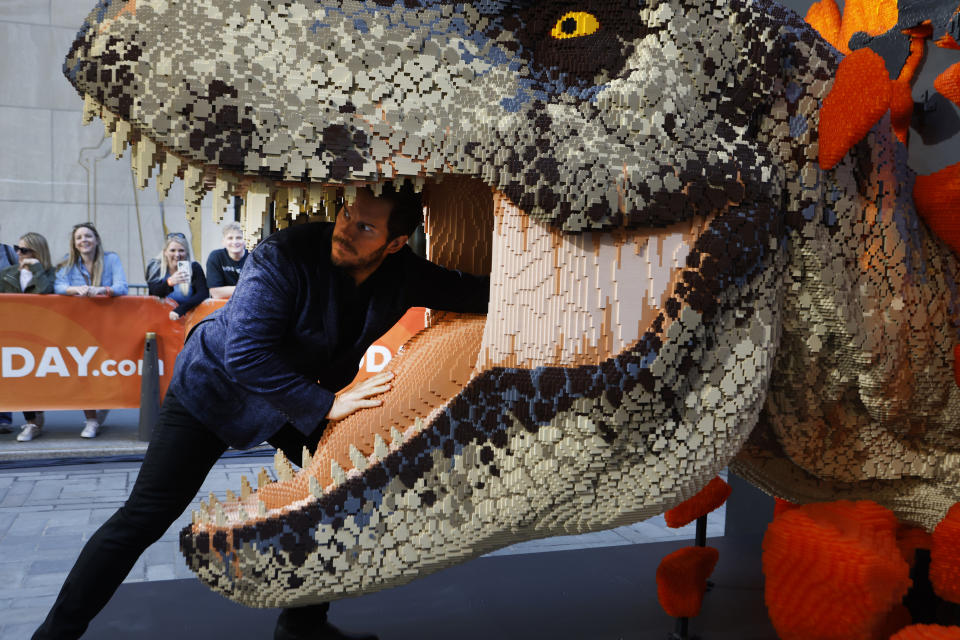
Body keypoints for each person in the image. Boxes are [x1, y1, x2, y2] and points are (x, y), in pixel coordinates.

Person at [33, 182, 490, 640]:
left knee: (336, 486)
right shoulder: (283, 255)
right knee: (144, 517)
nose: (346, 230)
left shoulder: (403, 273)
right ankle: (54, 634)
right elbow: (245, 355)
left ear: (393, 243)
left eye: (365, 226)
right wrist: (328, 404)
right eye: (348, 214)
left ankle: (302, 626)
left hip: (286, 400)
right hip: (213, 388)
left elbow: (475, 294)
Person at [55, 222, 128, 438]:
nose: (84, 240)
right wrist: (72, 289)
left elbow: (121, 286)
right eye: (79, 237)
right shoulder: (68, 264)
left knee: (107, 369)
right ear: (74, 243)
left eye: (88, 236)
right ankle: (91, 419)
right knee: (83, 371)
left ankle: (103, 405)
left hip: (108, 325)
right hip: (79, 327)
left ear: (96, 239)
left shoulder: (111, 259)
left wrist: (101, 290)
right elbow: (57, 286)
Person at [0, 232, 56, 440]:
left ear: (37, 251)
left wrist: (37, 269)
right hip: (12, 333)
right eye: (18, 248)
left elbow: (46, 291)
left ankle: (34, 421)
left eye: (24, 250)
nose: (18, 253)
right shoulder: (7, 273)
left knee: (33, 378)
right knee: (16, 377)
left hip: (40, 333)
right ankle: (32, 421)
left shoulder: (49, 273)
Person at [147, 233, 210, 321]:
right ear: (165, 252)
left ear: (186, 252)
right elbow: (154, 292)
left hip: (186, 319)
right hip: (160, 319)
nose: (177, 255)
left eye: (181, 250)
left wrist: (180, 310)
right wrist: (170, 282)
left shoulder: (194, 267)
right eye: (172, 250)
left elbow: (203, 293)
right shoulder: (155, 266)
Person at [206, 221, 248, 299]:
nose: (234, 242)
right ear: (223, 242)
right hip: (221, 306)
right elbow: (216, 293)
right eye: (230, 238)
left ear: (245, 241)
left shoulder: (253, 257)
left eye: (239, 238)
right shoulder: (216, 257)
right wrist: (246, 289)